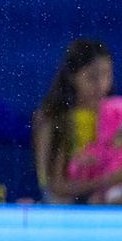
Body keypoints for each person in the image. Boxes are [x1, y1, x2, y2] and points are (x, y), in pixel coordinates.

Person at [33, 39, 122, 204]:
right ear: (72, 76)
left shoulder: (115, 113)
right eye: (92, 77)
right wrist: (109, 180)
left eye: (107, 74)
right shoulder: (52, 118)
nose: (102, 85)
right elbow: (55, 186)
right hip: (64, 204)